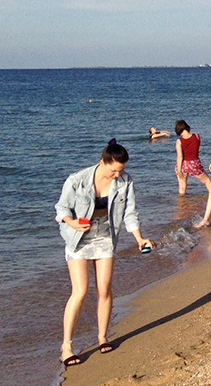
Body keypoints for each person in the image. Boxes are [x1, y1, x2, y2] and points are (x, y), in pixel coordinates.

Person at [55, 139, 154, 367]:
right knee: (79, 291)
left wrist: (140, 239)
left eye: (121, 170)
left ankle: (102, 337)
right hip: (78, 238)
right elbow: (61, 209)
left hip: (105, 238)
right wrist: (71, 222)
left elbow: (130, 213)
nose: (117, 175)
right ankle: (67, 346)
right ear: (103, 162)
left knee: (104, 289)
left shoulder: (125, 181)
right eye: (113, 170)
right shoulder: (77, 180)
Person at [174, 120, 211, 196]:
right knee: (207, 180)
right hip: (194, 163)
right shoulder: (197, 136)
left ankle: (182, 204)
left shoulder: (179, 141)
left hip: (183, 164)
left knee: (182, 187)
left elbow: (180, 156)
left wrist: (179, 169)